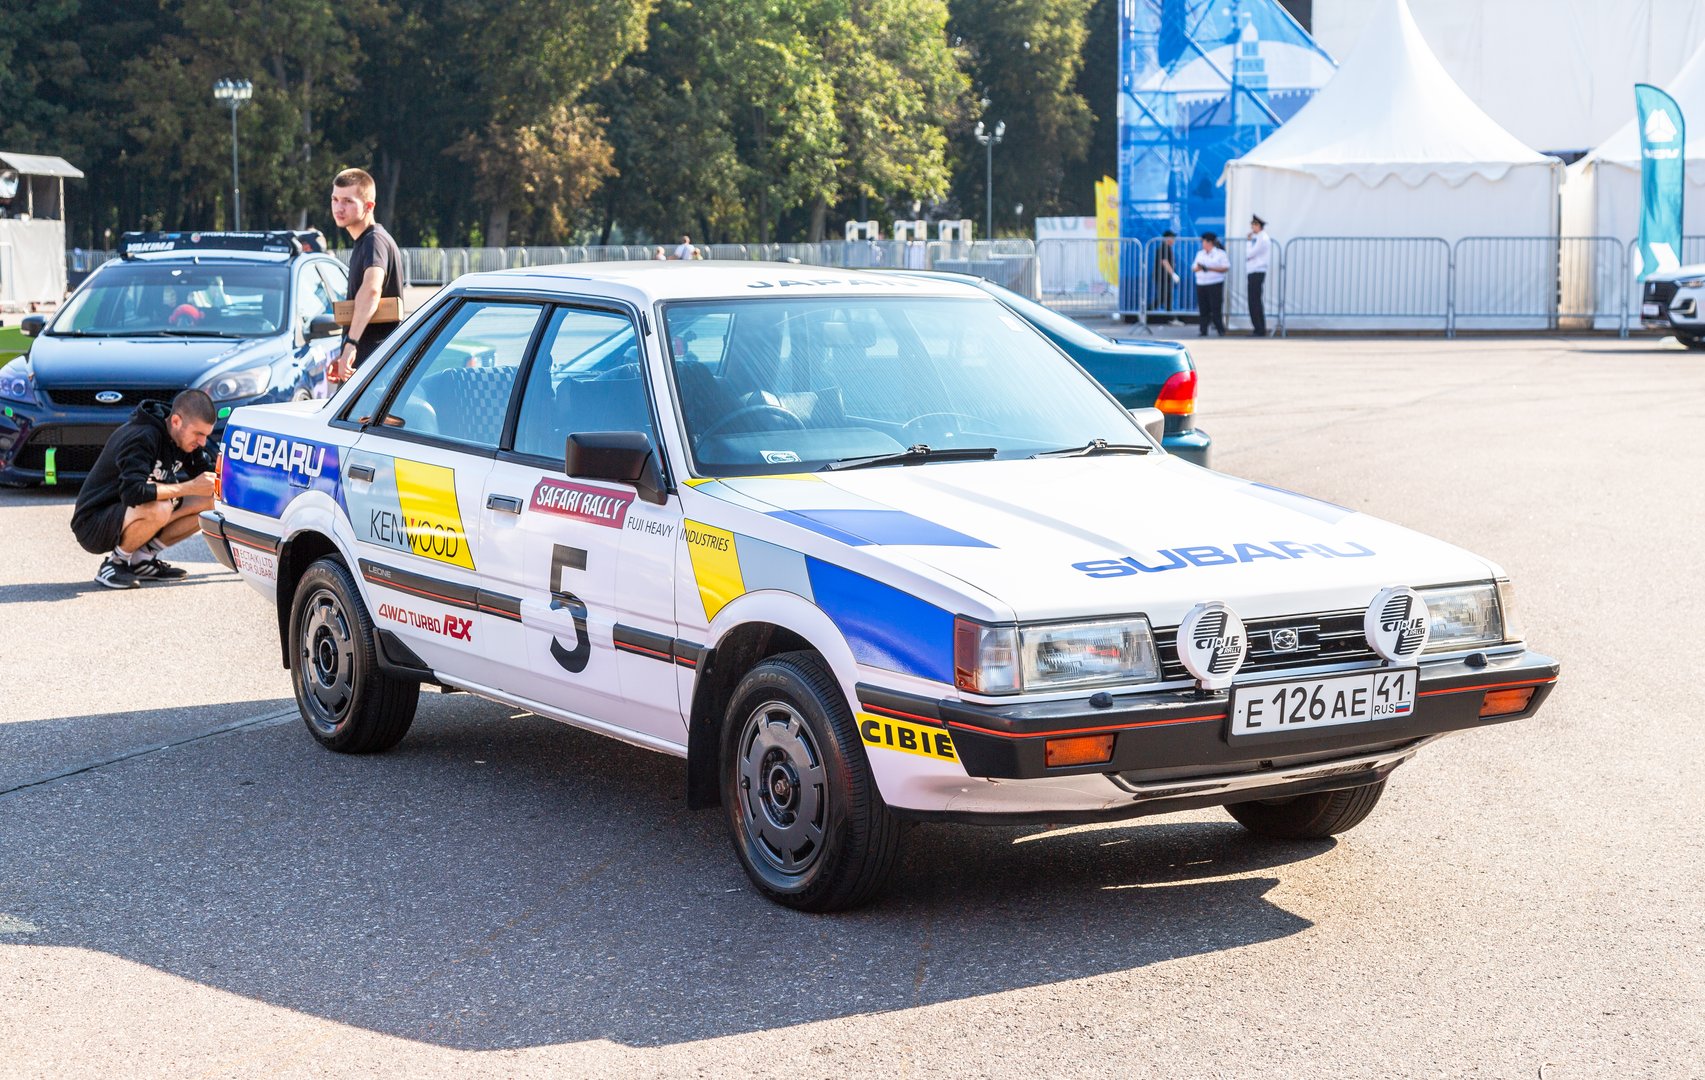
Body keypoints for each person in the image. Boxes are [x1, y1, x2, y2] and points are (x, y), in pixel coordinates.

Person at [70, 390, 217, 589]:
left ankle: (142, 560)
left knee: (210, 501)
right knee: (160, 506)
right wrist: (189, 487)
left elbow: (206, 475)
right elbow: (133, 493)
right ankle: (115, 563)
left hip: (128, 514)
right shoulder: (143, 436)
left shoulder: (183, 440)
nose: (202, 442)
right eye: (198, 434)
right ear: (176, 421)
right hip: (94, 523)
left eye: (206, 435)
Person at [328, 167, 403, 382]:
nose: (339, 207)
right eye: (335, 199)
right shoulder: (366, 241)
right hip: (370, 364)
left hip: (374, 367)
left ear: (369, 206)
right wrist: (345, 352)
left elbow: (371, 290)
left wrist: (351, 345)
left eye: (348, 201)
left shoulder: (374, 241)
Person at [1192, 232, 1230, 337]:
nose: (1202, 244)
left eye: (1204, 241)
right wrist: (1200, 268)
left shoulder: (1220, 253)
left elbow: (1225, 267)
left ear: (1209, 242)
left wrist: (1209, 268)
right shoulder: (1200, 254)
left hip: (1215, 283)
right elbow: (1194, 268)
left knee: (1215, 307)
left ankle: (1220, 329)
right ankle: (1203, 330)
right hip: (1201, 283)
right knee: (1203, 308)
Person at [1246, 214, 1271, 337]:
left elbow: (1250, 253)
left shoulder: (1262, 238)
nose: (1252, 228)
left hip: (1257, 271)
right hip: (1253, 271)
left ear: (1258, 226)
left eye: (1254, 225)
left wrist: (1248, 242)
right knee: (1253, 300)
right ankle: (1258, 328)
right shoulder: (1259, 237)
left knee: (1255, 301)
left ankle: (1259, 328)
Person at [1151, 230, 1180, 322]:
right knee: (1164, 297)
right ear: (1167, 238)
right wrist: (1173, 274)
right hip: (1162, 277)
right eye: (1172, 238)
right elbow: (1164, 262)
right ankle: (1147, 312)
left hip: (1165, 277)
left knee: (1166, 297)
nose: (1174, 240)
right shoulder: (1164, 248)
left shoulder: (1167, 247)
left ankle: (1169, 317)